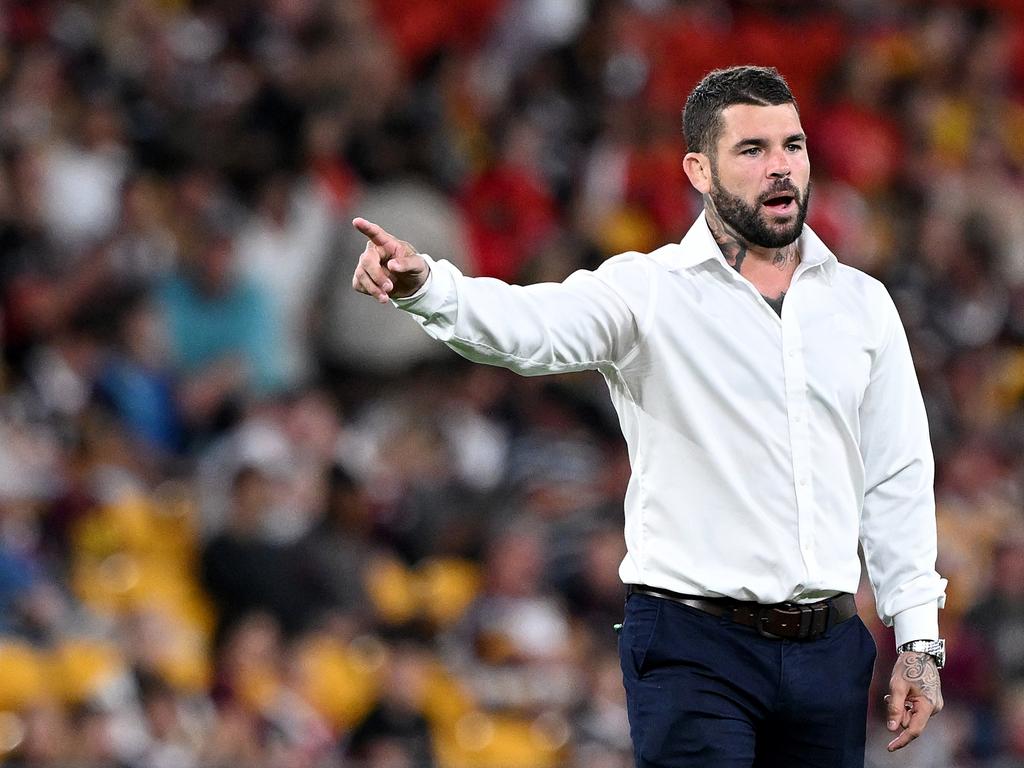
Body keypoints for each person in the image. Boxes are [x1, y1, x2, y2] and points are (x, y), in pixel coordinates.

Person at [350, 65, 947, 767]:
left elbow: (898, 476)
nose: (781, 167)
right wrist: (430, 287)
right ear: (699, 169)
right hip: (695, 647)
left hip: (829, 650)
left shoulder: (863, 304)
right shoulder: (648, 291)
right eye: (752, 150)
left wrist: (918, 640)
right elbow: (531, 328)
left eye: (793, 145)